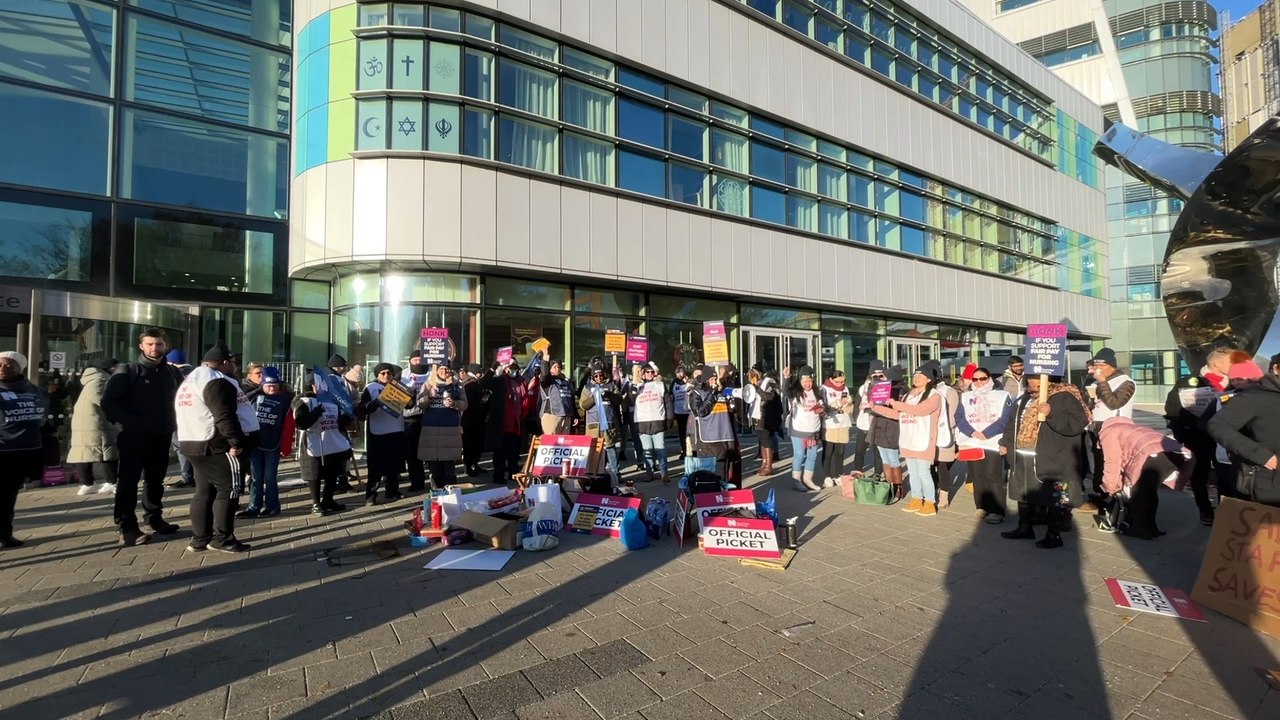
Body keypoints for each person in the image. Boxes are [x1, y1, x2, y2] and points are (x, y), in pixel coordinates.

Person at [102, 327, 184, 546]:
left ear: (165, 346)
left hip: (162, 434)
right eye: (149, 344)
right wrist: (131, 422)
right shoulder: (128, 370)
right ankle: (127, 527)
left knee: (155, 480)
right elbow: (109, 403)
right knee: (128, 482)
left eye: (158, 344)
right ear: (141, 346)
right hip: (134, 436)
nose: (154, 348)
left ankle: (154, 518)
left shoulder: (172, 373)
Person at [174, 343, 258, 553]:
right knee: (229, 489)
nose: (235, 367)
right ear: (223, 363)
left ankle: (200, 538)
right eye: (233, 363)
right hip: (215, 444)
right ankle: (223, 538)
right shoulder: (216, 381)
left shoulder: (192, 379)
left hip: (193, 442)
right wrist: (236, 442)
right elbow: (224, 415)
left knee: (204, 491)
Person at [999, 374, 1091, 549]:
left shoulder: (1065, 396)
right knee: (1023, 492)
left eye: (1034, 378)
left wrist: (1051, 413)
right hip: (1023, 455)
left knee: (1055, 497)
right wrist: (1005, 442)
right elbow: (1013, 423)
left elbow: (1078, 423)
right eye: (1029, 378)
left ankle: (1054, 534)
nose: (1029, 381)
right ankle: (1025, 526)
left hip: (1052, 457)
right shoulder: (1024, 398)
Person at [1099, 417, 1190, 539]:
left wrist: (1110, 487)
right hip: (1174, 454)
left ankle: (1140, 528)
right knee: (1149, 492)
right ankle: (1152, 528)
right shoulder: (1130, 427)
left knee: (1139, 493)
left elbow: (1112, 463)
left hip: (1151, 456)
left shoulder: (1109, 433)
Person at [874, 362, 944, 516]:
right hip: (908, 440)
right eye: (915, 375)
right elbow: (899, 415)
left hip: (923, 441)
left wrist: (895, 403)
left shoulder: (934, 396)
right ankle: (917, 499)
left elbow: (919, 410)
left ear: (929, 379)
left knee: (924, 473)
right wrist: (875, 407)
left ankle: (930, 503)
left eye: (921, 375)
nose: (916, 378)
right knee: (913, 473)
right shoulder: (909, 395)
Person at [1208, 359, 1280, 506]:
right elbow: (1218, 425)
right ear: (1276, 369)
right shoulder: (1253, 397)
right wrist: (1260, 455)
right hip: (1268, 482)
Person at [0, 351, 49, 547]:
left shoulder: (35, 391)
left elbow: (43, 415)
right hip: (1, 450)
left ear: (20, 368)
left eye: (8, 365)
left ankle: (4, 534)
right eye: (0, 365)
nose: (3, 368)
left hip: (24, 451)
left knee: (8, 496)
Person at [955, 367, 1014, 523]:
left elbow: (1005, 418)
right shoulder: (965, 396)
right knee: (977, 475)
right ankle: (981, 506)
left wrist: (987, 433)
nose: (979, 382)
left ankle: (997, 510)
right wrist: (972, 432)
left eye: (982, 379)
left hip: (992, 441)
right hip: (972, 441)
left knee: (992, 475)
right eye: (975, 379)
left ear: (989, 379)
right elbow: (959, 418)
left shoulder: (1002, 395)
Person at [294, 373, 355, 516]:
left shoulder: (331, 400)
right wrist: (316, 412)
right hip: (313, 443)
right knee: (314, 474)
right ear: (313, 386)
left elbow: (339, 423)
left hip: (331, 441)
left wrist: (347, 415)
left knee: (331, 474)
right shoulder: (303, 401)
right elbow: (301, 423)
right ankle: (316, 503)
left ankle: (328, 500)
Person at [1164, 370, 1220, 525]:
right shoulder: (1189, 383)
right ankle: (1206, 511)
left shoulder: (1233, 382)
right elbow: (1172, 410)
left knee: (1223, 475)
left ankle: (1222, 510)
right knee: (1200, 474)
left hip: (1221, 437)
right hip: (1198, 436)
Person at [241, 368, 293, 518]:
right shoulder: (254, 396)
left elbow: (289, 424)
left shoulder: (286, 399)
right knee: (256, 477)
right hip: (255, 443)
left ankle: (272, 506)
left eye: (275, 385)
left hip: (273, 443)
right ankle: (253, 506)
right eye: (268, 386)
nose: (271, 388)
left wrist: (286, 446)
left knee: (270, 477)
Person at [68, 358, 120, 496]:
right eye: (115, 367)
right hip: (97, 423)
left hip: (86, 422)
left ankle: (87, 483)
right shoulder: (100, 380)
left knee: (84, 452)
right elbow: (103, 401)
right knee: (107, 451)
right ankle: (110, 482)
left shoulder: (90, 379)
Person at [358, 363, 406, 504]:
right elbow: (363, 408)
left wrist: (411, 397)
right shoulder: (371, 387)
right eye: (383, 373)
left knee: (394, 465)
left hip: (396, 429)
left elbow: (409, 405)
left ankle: (392, 491)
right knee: (375, 467)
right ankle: (371, 495)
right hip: (378, 432)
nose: (386, 376)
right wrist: (377, 402)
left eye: (389, 373)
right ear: (377, 375)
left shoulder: (398, 387)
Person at [483, 359, 533, 485]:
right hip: (502, 424)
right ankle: (498, 476)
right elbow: (483, 383)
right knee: (500, 453)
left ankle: (513, 474)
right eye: (511, 367)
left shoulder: (521, 382)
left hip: (517, 423)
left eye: (515, 366)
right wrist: (493, 370)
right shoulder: (499, 380)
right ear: (506, 368)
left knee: (514, 453)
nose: (513, 369)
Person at [417, 364, 467, 489]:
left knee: (449, 466)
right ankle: (436, 492)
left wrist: (454, 403)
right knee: (434, 466)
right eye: (441, 369)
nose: (445, 371)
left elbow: (465, 404)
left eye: (447, 369)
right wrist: (429, 397)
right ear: (436, 371)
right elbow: (420, 404)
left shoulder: (457, 384)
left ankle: (451, 494)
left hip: (450, 429)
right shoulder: (429, 383)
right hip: (431, 429)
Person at [687, 364, 739, 484]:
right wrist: (712, 394)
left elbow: (730, 411)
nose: (714, 382)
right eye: (712, 380)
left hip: (723, 439)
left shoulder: (721, 391)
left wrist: (731, 403)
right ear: (705, 380)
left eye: (715, 379)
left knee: (722, 476)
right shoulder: (696, 393)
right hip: (707, 441)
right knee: (708, 478)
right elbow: (700, 411)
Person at [580, 361, 624, 486]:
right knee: (595, 450)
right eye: (596, 376)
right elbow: (583, 405)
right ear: (592, 376)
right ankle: (594, 473)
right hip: (593, 425)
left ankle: (616, 473)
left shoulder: (611, 385)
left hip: (608, 424)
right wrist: (593, 398)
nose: (599, 378)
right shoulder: (587, 387)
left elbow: (619, 399)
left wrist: (610, 395)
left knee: (610, 449)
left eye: (601, 375)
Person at [784, 366, 826, 492]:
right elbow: (786, 392)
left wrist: (822, 410)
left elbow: (824, 407)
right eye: (804, 382)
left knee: (812, 455)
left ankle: (808, 479)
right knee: (799, 454)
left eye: (809, 381)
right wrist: (786, 378)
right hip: (798, 429)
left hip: (813, 429)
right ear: (800, 382)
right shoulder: (795, 392)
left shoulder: (818, 392)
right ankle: (797, 480)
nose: (807, 384)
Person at [631, 362, 672, 483]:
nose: (650, 374)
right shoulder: (637, 386)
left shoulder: (660, 385)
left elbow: (668, 403)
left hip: (658, 421)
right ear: (643, 374)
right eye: (647, 372)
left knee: (660, 448)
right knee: (647, 450)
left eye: (651, 372)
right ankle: (649, 473)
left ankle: (664, 473)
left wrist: (669, 418)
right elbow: (631, 399)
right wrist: (635, 381)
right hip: (642, 422)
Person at [400, 351, 431, 490]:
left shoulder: (432, 372)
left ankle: (434, 480)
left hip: (429, 415)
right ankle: (416, 482)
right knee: (412, 453)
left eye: (420, 359)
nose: (417, 362)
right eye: (415, 360)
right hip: (409, 417)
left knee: (430, 451)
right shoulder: (402, 374)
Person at [745, 367, 783, 475]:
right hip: (758, 416)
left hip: (766, 416)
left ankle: (768, 466)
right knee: (762, 440)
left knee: (766, 441)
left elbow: (770, 397)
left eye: (753, 375)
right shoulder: (759, 383)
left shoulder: (769, 382)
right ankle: (763, 464)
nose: (752, 377)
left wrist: (757, 388)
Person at [820, 370, 855, 486]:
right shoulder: (824, 389)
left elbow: (849, 409)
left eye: (842, 381)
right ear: (831, 379)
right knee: (828, 452)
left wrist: (848, 404)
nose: (840, 384)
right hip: (830, 423)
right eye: (837, 382)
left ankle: (838, 475)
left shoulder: (845, 389)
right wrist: (837, 403)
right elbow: (823, 407)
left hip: (843, 423)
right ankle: (827, 476)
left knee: (840, 452)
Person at [853, 362, 887, 473]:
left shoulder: (886, 387)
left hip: (878, 426)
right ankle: (857, 473)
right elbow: (856, 405)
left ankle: (878, 475)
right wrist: (857, 418)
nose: (878, 378)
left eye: (880, 376)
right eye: (875, 376)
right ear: (870, 376)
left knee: (878, 454)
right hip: (864, 425)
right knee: (859, 452)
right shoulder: (863, 388)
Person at [537, 350, 576, 435]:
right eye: (554, 367)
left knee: (564, 443)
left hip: (566, 415)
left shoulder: (566, 381)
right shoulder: (547, 380)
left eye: (559, 367)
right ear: (549, 368)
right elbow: (544, 374)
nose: (557, 368)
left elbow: (571, 399)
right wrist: (545, 357)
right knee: (551, 442)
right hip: (551, 415)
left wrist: (575, 415)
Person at [458, 363, 486, 476]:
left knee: (475, 443)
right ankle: (469, 466)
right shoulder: (469, 383)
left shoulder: (473, 382)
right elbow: (471, 402)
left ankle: (474, 464)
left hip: (474, 418)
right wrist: (483, 402)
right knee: (470, 444)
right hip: (470, 419)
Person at [671, 366, 691, 461]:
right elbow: (671, 397)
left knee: (689, 432)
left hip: (688, 411)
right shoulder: (673, 383)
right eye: (678, 372)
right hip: (678, 411)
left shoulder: (688, 382)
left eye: (682, 372)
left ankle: (690, 450)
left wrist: (688, 383)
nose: (680, 374)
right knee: (682, 433)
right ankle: (684, 450)